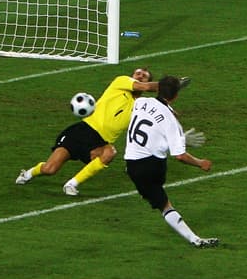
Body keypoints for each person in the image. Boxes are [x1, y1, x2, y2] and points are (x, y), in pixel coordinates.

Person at [16, 68, 193, 196]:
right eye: (138, 73)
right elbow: (145, 88)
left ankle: (72, 184)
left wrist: (178, 136)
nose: (140, 75)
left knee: (110, 152)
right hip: (82, 131)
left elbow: (157, 123)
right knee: (50, 168)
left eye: (144, 75)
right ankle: (29, 173)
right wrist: (172, 85)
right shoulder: (121, 82)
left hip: (100, 141)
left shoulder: (142, 105)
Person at [122, 75, 219, 249]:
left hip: (131, 163)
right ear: (175, 97)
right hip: (151, 167)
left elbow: (150, 114)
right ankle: (194, 239)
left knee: (159, 199)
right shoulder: (171, 121)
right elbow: (180, 156)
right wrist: (200, 162)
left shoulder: (140, 102)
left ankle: (194, 238)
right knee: (164, 205)